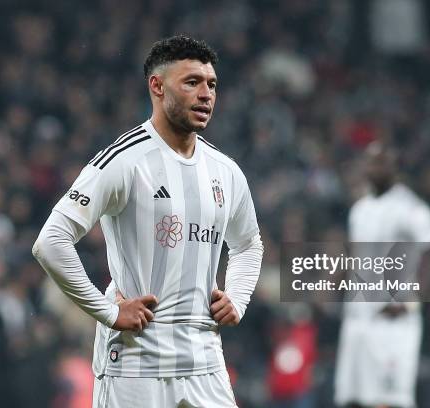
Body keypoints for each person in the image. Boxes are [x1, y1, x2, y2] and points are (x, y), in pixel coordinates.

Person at [32, 35, 263, 408]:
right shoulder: (123, 160)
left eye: (212, 84)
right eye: (192, 82)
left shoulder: (227, 171)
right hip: (136, 364)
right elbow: (51, 241)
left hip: (205, 362)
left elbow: (248, 243)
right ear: (157, 86)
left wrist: (238, 296)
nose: (206, 94)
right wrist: (107, 311)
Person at [334, 141, 430, 408]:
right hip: (357, 319)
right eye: (371, 161)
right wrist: (332, 282)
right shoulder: (360, 209)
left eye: (382, 162)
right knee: (352, 398)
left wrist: (413, 299)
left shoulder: (409, 206)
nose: (375, 167)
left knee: (390, 400)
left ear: (394, 168)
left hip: (392, 321)